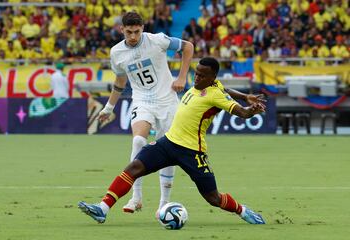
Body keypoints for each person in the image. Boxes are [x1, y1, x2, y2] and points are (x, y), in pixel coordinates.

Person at [79, 57, 266, 225]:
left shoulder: (216, 95)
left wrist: (250, 109)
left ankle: (243, 211)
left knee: (213, 197)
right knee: (133, 167)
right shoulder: (212, 85)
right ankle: (102, 209)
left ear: (212, 77)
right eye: (196, 73)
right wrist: (244, 95)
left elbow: (240, 111)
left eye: (202, 75)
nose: (197, 78)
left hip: (192, 152)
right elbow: (224, 87)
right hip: (168, 143)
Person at [97, 11, 194, 215]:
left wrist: (182, 77)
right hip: (142, 101)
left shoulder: (157, 40)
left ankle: (163, 204)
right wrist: (108, 107)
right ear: (122, 29)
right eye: (129, 32)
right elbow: (120, 81)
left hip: (167, 102)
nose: (133, 36)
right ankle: (136, 197)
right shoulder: (116, 53)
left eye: (137, 31)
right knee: (138, 142)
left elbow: (188, 47)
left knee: (169, 152)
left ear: (143, 28)